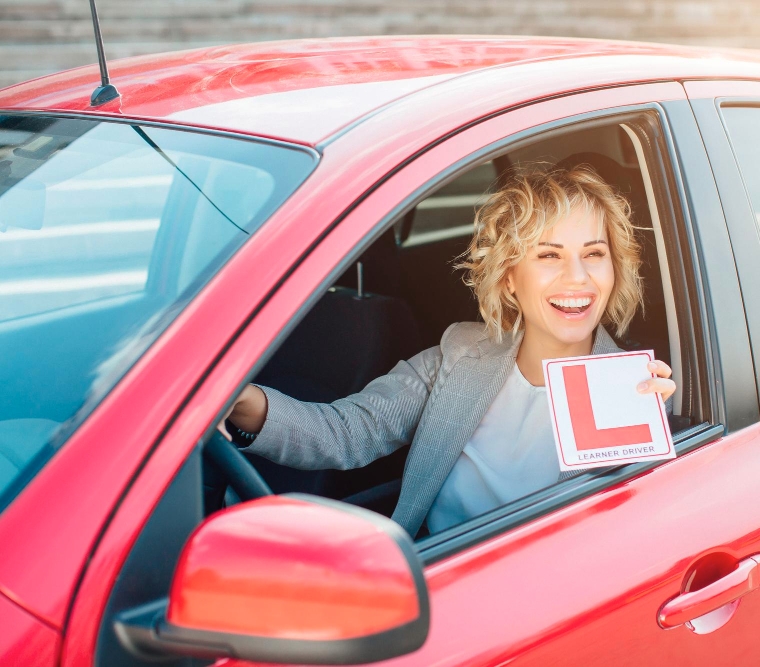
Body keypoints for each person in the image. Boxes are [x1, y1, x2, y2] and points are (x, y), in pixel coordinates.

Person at [220, 165, 676, 537]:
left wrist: (656, 441)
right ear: (509, 278)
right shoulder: (459, 354)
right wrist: (239, 401)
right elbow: (347, 433)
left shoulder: (633, 392)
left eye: (594, 254)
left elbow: (630, 535)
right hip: (438, 579)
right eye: (549, 255)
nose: (578, 277)